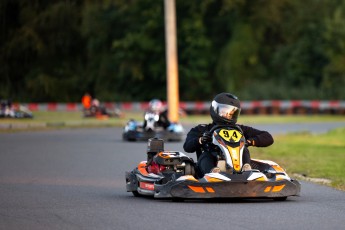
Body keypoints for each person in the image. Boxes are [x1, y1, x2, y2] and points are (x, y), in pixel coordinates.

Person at [183, 92, 274, 178]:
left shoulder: (240, 129)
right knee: (206, 155)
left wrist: (249, 141)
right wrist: (201, 140)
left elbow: (268, 137)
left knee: (244, 149)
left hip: (239, 167)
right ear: (215, 110)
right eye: (225, 112)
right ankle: (214, 173)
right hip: (210, 164)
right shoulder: (202, 129)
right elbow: (187, 146)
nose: (228, 115)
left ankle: (246, 170)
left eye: (232, 113)